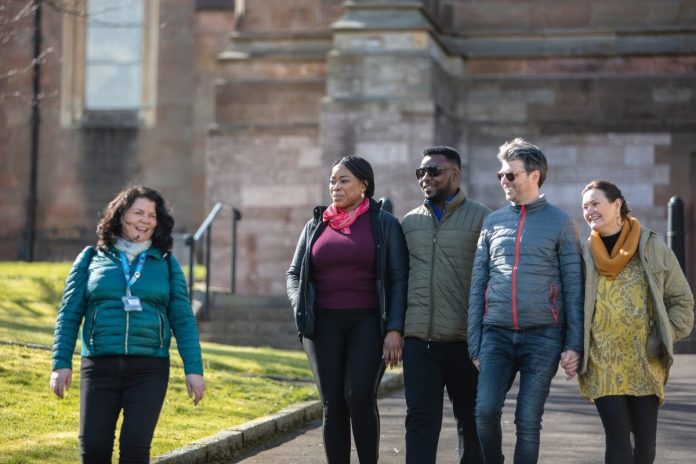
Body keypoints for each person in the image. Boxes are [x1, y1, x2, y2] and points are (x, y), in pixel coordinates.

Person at [50, 185, 205, 464]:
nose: (145, 220)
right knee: (94, 449)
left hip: (149, 368)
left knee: (135, 450)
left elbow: (183, 319)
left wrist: (194, 369)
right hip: (99, 367)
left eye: (152, 215)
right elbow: (69, 313)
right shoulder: (90, 259)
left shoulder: (167, 265)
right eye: (138, 212)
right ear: (121, 215)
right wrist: (60, 363)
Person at [467, 138, 584, 464]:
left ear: (534, 176)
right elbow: (479, 284)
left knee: (528, 422)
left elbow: (574, 288)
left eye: (510, 175)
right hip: (496, 335)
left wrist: (573, 344)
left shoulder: (561, 223)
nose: (504, 181)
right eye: (501, 175)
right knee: (484, 412)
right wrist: (475, 343)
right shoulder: (492, 222)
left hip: (543, 336)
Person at [286, 156, 408, 464]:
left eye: (343, 181)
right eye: (332, 181)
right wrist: (299, 306)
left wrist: (394, 328)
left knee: (358, 396)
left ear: (364, 185)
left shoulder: (384, 224)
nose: (335, 187)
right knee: (332, 404)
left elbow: (399, 278)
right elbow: (294, 273)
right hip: (321, 324)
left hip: (368, 322)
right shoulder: (316, 223)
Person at [577, 179, 694, 464]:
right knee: (617, 437)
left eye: (595, 203)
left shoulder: (653, 247)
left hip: (645, 362)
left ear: (617, 205)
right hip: (603, 361)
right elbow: (570, 306)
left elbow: (682, 302)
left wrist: (662, 336)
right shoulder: (582, 254)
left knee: (645, 448)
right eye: (585, 206)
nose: (589, 211)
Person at [401, 145, 490, 464]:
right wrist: (396, 330)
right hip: (419, 341)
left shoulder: (483, 218)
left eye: (433, 171)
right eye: (420, 172)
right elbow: (399, 280)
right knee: (420, 419)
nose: (426, 177)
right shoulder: (409, 223)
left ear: (454, 174)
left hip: (467, 343)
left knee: (472, 421)